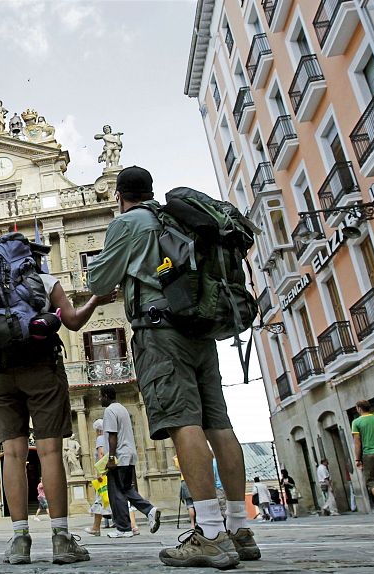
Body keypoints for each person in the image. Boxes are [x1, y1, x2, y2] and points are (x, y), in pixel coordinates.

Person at [87, 166, 257, 568]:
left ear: (118, 194)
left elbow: (97, 281)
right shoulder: (173, 219)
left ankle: (211, 534)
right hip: (200, 328)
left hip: (160, 334)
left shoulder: (130, 222)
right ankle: (239, 528)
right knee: (220, 424)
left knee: (184, 422)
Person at [0, 257, 105, 565]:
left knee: (13, 454)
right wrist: (96, 299)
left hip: (1, 374)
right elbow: (73, 321)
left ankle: (20, 541)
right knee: (48, 452)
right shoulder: (46, 282)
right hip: (42, 370)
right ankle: (61, 539)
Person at [100, 386, 160, 539]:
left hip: (119, 457)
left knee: (116, 494)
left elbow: (112, 435)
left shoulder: (109, 411)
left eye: (100, 396)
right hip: (128, 455)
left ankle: (123, 528)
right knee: (126, 489)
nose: (99, 399)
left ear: (106, 396)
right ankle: (149, 510)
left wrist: (111, 458)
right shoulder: (123, 409)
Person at [352, 399, 374, 519]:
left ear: (359, 408)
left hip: (369, 455)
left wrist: (357, 459)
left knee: (372, 482)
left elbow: (357, 443)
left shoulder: (356, 422)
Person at [85, 419, 111, 535]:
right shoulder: (109, 438)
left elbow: (101, 454)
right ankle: (132, 525)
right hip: (110, 471)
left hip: (103, 474)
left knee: (100, 500)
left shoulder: (100, 438)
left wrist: (100, 473)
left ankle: (96, 528)